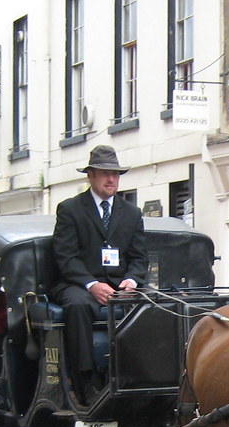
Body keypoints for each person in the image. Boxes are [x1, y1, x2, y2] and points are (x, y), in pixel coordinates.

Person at [50, 144, 148, 405]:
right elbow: (65, 257)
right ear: (91, 175)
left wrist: (132, 280)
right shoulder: (70, 209)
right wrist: (91, 284)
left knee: (153, 305)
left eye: (115, 174)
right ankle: (86, 381)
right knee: (79, 306)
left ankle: (142, 377)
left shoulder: (131, 213)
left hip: (120, 285)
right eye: (105, 173)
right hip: (78, 283)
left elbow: (139, 258)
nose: (111, 179)